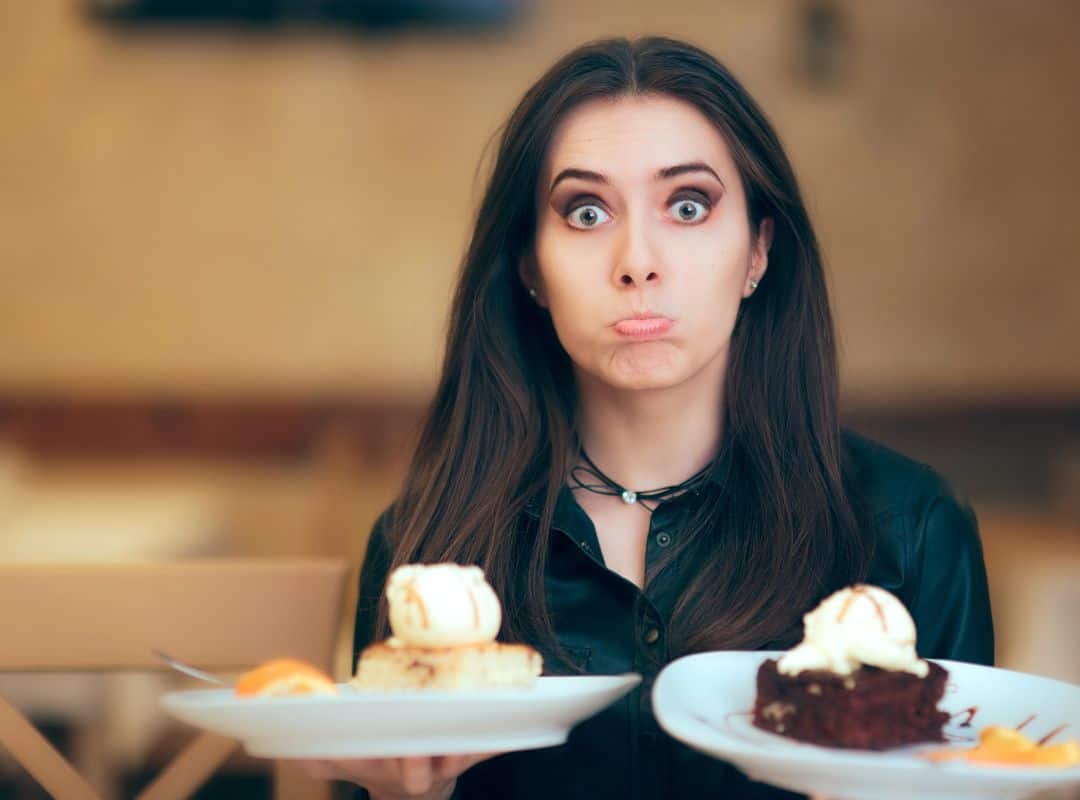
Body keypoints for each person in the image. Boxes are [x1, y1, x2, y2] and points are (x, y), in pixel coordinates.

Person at [304, 35, 993, 800]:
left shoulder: (913, 529)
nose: (637, 260)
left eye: (688, 206)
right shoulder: (426, 543)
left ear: (758, 252)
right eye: (587, 211)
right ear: (532, 266)